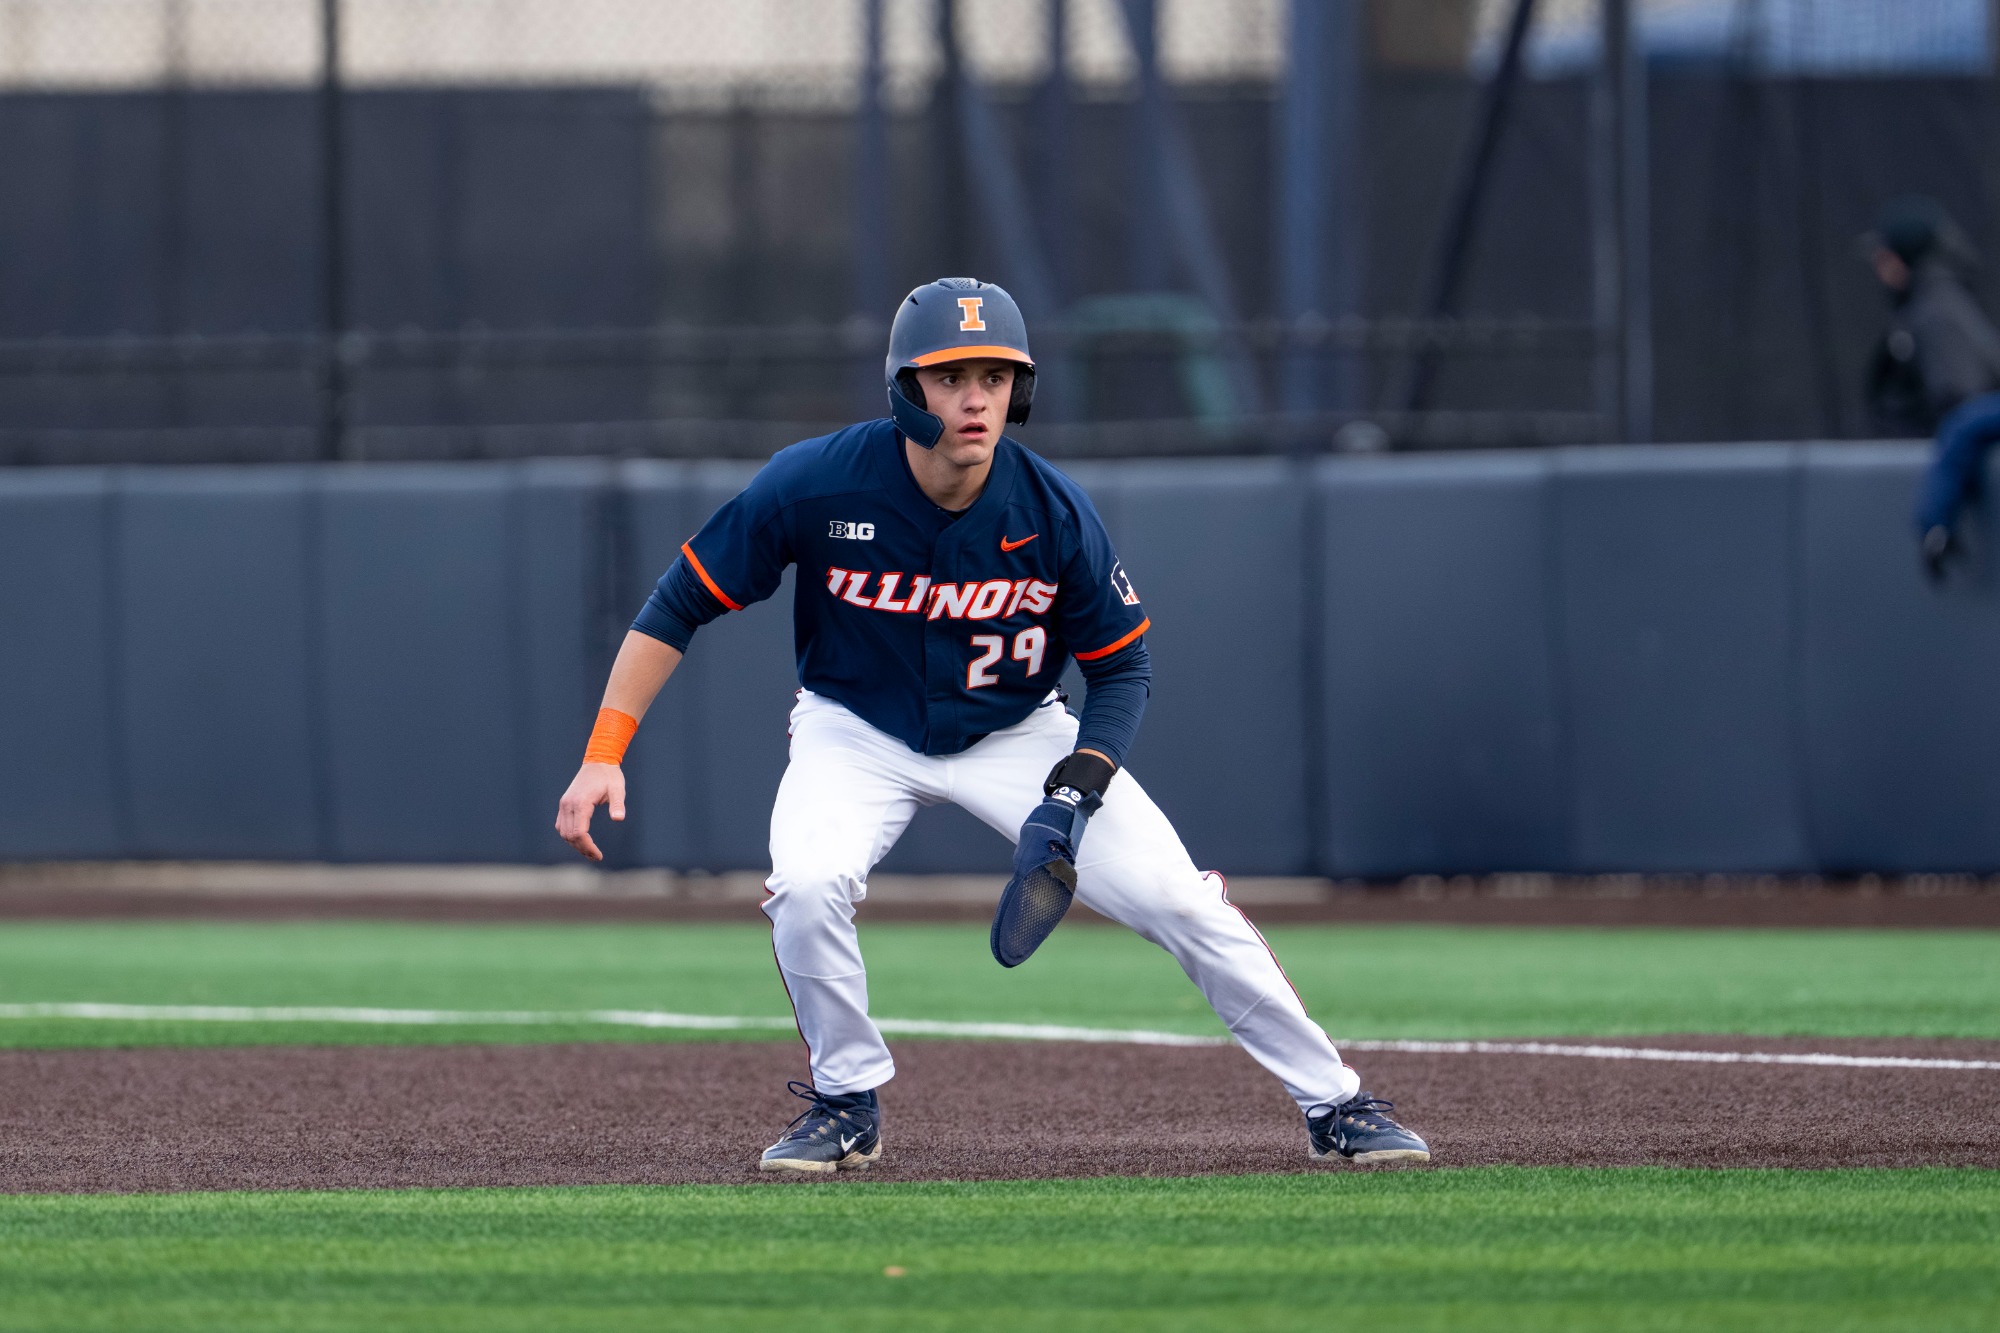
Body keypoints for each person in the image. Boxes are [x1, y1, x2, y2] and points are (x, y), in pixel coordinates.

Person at [554, 278, 1430, 1174]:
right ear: (906, 390)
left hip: (1019, 730)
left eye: (997, 375)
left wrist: (1075, 789)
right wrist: (602, 754)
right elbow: (675, 605)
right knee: (810, 884)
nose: (976, 398)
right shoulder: (814, 483)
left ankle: (1337, 1102)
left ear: (1023, 390)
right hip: (855, 729)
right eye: (950, 375)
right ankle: (847, 1099)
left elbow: (1122, 666)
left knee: (1179, 899)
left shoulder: (1052, 511)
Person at [1863, 196, 2000, 580]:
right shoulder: (1926, 306)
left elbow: (1966, 413)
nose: (1878, 265)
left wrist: (1935, 519)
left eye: (1884, 254)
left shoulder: (1937, 310)